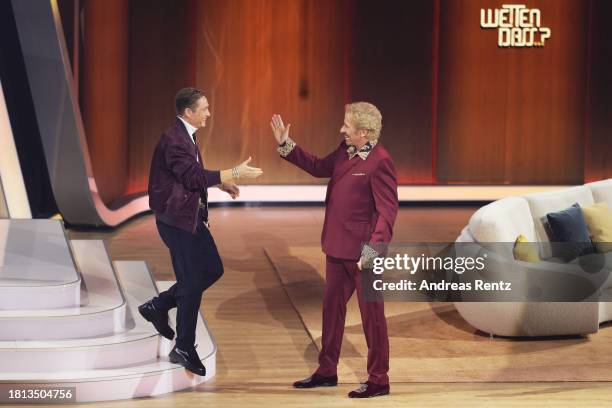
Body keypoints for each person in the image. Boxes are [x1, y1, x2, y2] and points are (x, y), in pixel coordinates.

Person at [270, 102, 398, 398]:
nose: (342, 130)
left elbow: (387, 213)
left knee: (373, 319)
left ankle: (379, 379)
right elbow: (318, 167)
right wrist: (286, 145)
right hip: (337, 248)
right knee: (331, 311)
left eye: (347, 126)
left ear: (364, 132)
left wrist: (372, 252)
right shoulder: (345, 151)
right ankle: (327, 371)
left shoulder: (381, 162)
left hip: (364, 256)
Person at [140, 87, 262, 376]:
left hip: (188, 216)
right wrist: (232, 173)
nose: (209, 113)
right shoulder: (174, 139)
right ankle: (184, 346)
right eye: (204, 108)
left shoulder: (184, 135)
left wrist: (219, 184)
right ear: (188, 112)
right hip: (176, 220)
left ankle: (159, 305)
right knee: (192, 281)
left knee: (212, 269)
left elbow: (190, 173)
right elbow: (191, 175)